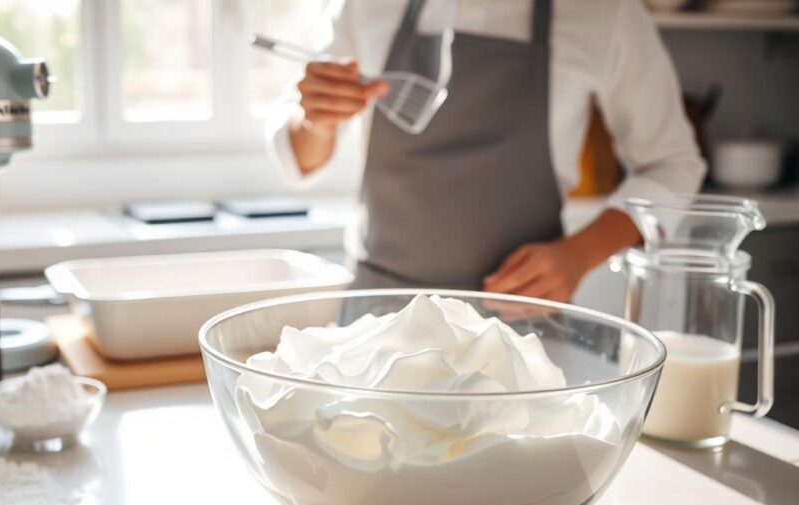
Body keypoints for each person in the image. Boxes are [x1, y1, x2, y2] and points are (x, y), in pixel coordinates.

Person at [266, 0, 705, 301]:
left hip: (519, 326)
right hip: (375, 315)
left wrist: (581, 254)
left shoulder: (603, 12)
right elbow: (299, 158)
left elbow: (674, 162)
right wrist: (315, 118)